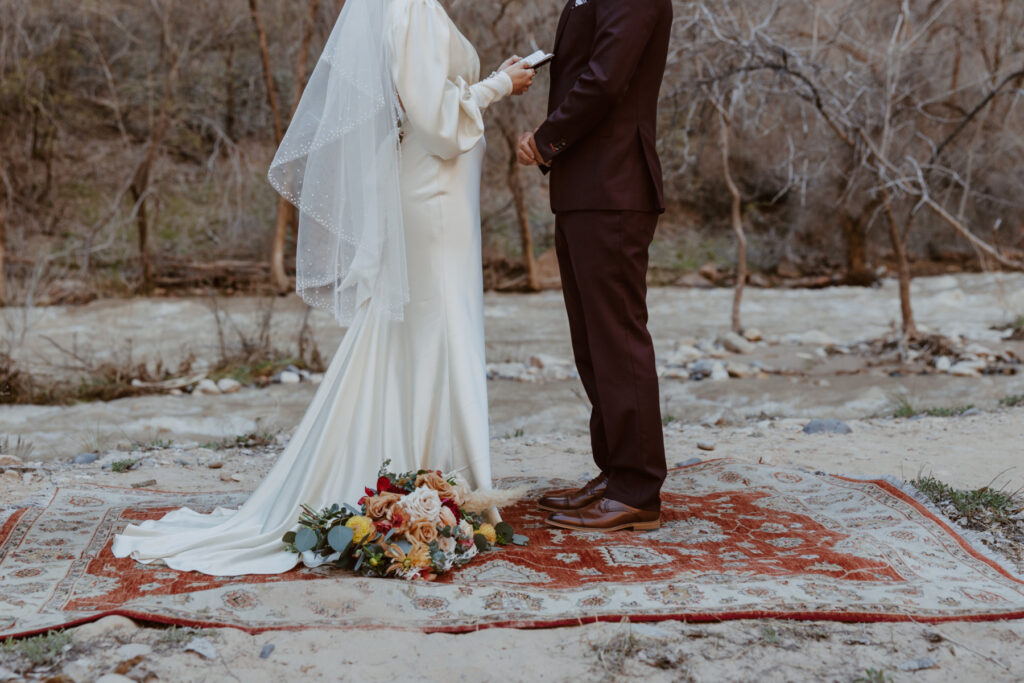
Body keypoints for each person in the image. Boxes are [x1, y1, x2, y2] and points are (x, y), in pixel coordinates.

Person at [112, 0, 534, 576]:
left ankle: (437, 473)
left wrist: (484, 79)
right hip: (434, 194)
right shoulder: (409, 8)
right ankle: (445, 480)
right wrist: (497, 86)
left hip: (442, 192)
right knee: (441, 329)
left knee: (434, 331)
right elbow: (436, 125)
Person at [517, 0, 673, 532]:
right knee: (592, 342)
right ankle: (614, 473)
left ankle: (637, 489)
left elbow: (606, 82)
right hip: (585, 188)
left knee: (618, 338)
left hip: (615, 186)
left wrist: (545, 140)